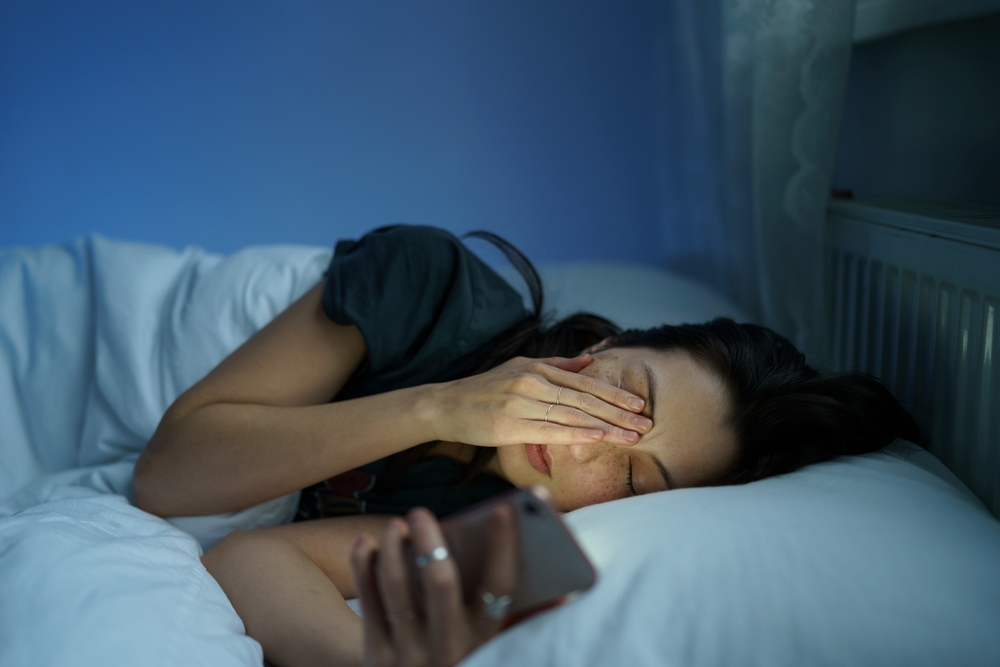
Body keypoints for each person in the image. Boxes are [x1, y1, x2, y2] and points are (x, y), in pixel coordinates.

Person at [133, 225, 919, 667]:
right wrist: (439, 406)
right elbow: (168, 475)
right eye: (624, 397)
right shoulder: (430, 282)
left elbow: (248, 558)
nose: (587, 448)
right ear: (612, 340)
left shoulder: (531, 532)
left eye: (638, 482)